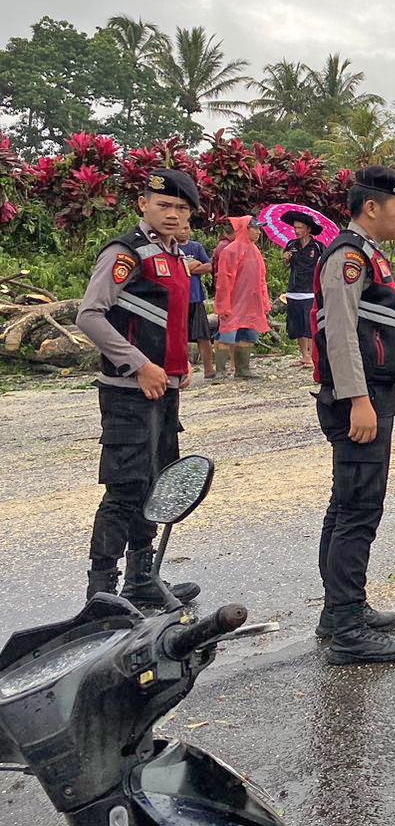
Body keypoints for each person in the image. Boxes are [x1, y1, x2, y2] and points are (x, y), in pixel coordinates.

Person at [75, 168, 202, 609]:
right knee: (125, 487)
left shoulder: (175, 254)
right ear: (142, 205)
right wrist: (140, 365)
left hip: (164, 389)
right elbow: (90, 314)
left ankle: (141, 578)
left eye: (181, 208)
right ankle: (102, 591)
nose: (172, 213)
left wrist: (177, 364)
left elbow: (165, 318)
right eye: (164, 204)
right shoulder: (125, 253)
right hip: (128, 390)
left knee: (155, 483)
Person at [311, 165, 395, 665]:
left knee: (348, 503)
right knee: (357, 509)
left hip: (370, 391)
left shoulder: (366, 256)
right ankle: (348, 628)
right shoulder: (349, 257)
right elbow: (340, 334)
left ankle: (340, 611)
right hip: (360, 396)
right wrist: (358, 399)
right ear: (370, 207)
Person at [214, 217, 269, 378]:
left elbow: (262, 279)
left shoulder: (255, 251)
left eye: (259, 229)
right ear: (246, 229)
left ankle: (243, 370)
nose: (259, 232)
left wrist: (264, 302)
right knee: (226, 336)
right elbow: (224, 280)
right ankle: (220, 372)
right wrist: (223, 304)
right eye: (255, 228)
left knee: (248, 336)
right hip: (233, 303)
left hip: (252, 303)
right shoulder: (230, 251)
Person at [282, 211, 325, 369]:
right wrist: (286, 260)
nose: (297, 231)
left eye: (300, 228)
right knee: (297, 325)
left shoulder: (319, 247)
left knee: (310, 324)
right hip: (294, 290)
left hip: (311, 291)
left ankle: (312, 356)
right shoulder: (291, 245)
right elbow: (286, 266)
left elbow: (324, 267)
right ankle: (304, 356)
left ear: (308, 229)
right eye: (295, 228)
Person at [175, 221, 216, 381]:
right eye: (181, 229)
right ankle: (181, 371)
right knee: (179, 337)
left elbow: (209, 267)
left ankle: (209, 369)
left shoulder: (196, 247)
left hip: (196, 298)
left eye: (187, 228)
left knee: (203, 336)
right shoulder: (170, 247)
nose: (184, 232)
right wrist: (189, 267)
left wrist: (187, 268)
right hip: (178, 300)